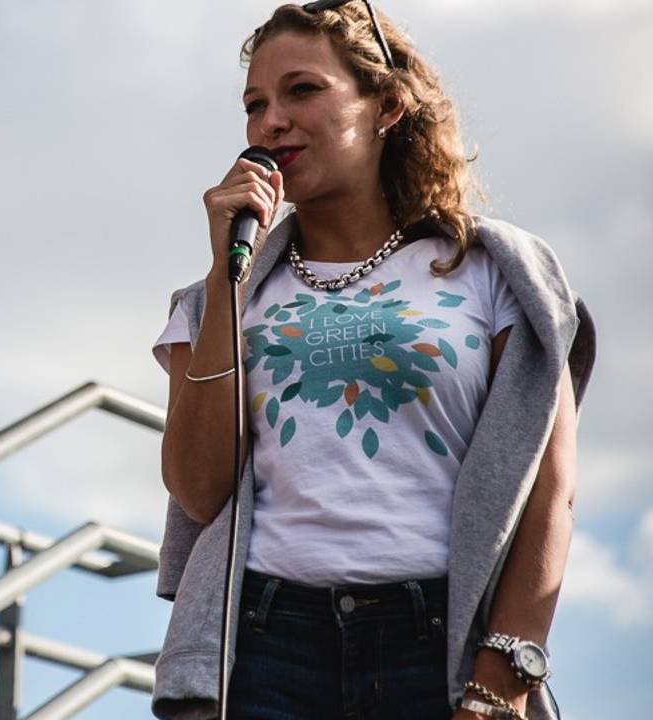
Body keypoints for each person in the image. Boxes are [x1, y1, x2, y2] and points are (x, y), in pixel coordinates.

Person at [150, 3, 595, 720]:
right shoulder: (214, 300)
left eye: (302, 90)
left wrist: (503, 674)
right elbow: (199, 493)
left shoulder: (495, 271)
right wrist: (224, 280)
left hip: (438, 641)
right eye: (255, 104)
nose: (271, 122)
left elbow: (550, 489)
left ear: (386, 104)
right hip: (266, 644)